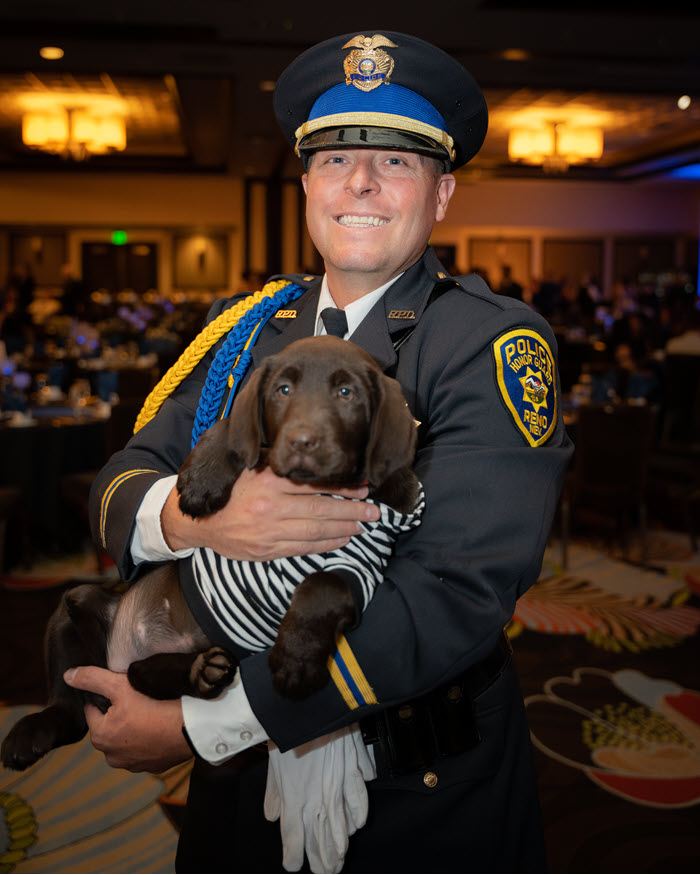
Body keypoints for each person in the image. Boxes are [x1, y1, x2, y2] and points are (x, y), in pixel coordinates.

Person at [66, 30, 573, 873]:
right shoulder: (246, 332)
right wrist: (204, 524)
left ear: (442, 192)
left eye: (397, 162)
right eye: (337, 157)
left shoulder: (489, 343)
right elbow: (121, 482)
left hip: (416, 776)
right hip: (237, 783)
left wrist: (204, 725)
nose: (362, 182)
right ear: (307, 184)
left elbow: (453, 594)